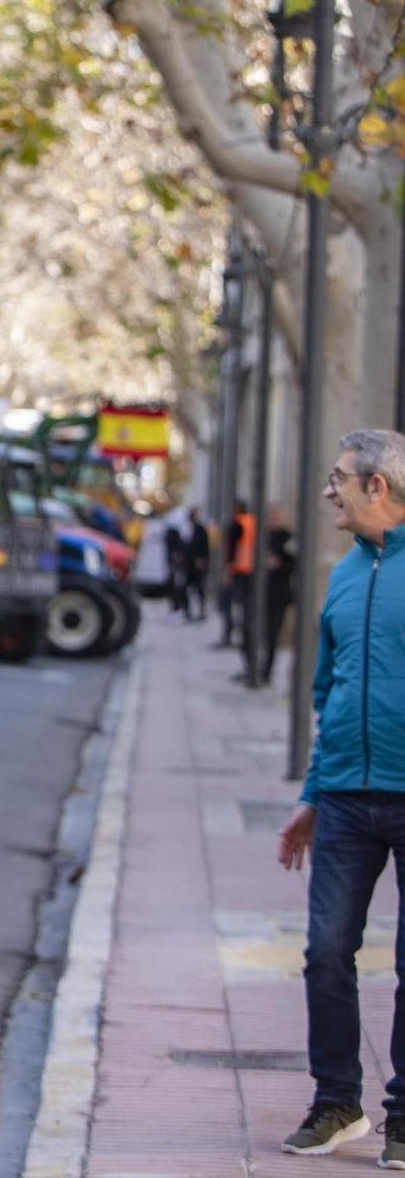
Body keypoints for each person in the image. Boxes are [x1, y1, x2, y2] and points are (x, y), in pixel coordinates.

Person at [276, 430, 405, 1163]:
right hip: (349, 799)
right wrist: (313, 792)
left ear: (376, 487)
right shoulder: (344, 574)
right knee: (326, 951)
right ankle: (337, 1103)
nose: (330, 492)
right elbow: (331, 691)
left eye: (338, 480)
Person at [258, 504, 297, 683]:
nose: (274, 519)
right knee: (259, 630)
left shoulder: (288, 537)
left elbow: (294, 564)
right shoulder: (263, 535)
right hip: (260, 590)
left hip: (279, 592)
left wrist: (278, 563)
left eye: (277, 515)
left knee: (272, 633)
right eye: (271, 515)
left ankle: (266, 671)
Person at [220, 498, 257, 647]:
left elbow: (232, 549)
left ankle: (230, 636)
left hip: (238, 569)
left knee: (227, 604)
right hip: (251, 570)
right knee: (246, 606)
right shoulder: (252, 522)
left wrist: (227, 570)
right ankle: (244, 636)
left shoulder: (237, 523)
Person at [185, 509, 211, 621]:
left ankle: (201, 612)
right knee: (187, 588)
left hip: (198, 564)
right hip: (190, 565)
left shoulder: (200, 530)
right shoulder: (189, 529)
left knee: (200, 589)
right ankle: (188, 612)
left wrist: (202, 560)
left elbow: (204, 547)